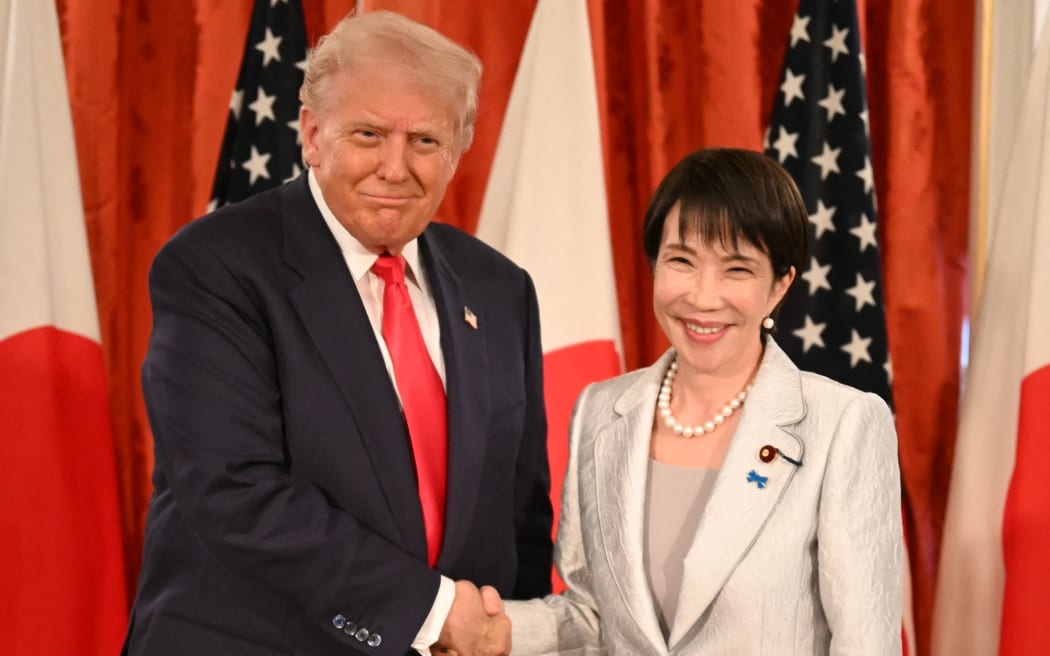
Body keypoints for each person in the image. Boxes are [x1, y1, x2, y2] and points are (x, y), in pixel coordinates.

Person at [121, 10, 553, 656]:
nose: (395, 167)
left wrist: (503, 632)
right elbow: (234, 489)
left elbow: (519, 511)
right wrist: (433, 613)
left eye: (426, 142)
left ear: (459, 151)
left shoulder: (499, 288)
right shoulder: (215, 266)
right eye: (369, 134)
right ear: (312, 134)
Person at [505, 148, 902, 654]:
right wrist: (487, 630)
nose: (703, 297)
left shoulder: (843, 424)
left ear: (779, 286)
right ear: (654, 266)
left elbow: (866, 644)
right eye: (681, 261)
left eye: (737, 269)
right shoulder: (600, 411)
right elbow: (592, 616)